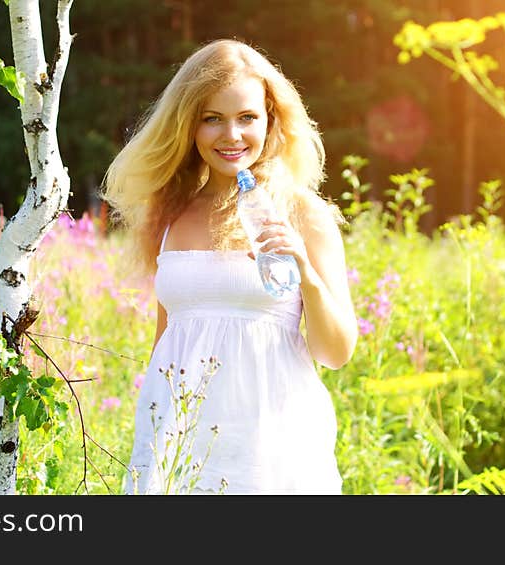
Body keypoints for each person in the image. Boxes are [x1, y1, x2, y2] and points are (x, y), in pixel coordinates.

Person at [101, 38, 358, 494]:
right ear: (188, 126)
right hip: (180, 444)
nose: (231, 136)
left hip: (270, 448)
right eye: (212, 119)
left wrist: (305, 270)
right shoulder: (169, 215)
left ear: (270, 120)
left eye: (247, 118)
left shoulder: (303, 215)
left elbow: (336, 353)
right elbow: (169, 342)